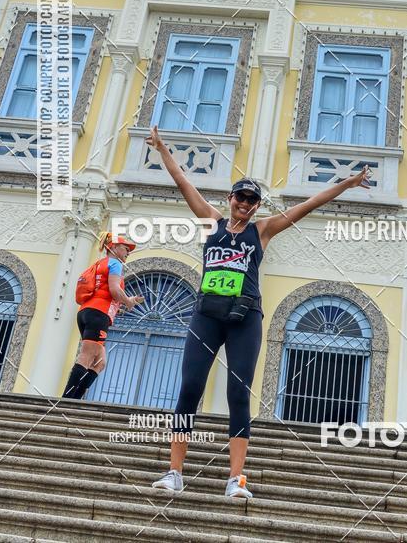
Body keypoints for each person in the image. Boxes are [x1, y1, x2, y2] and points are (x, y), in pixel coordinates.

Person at [148, 124, 371, 499]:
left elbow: (309, 205)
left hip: (245, 318)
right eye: (241, 197)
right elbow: (183, 181)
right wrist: (162, 149)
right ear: (231, 198)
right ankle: (174, 472)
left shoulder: (263, 231)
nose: (246, 204)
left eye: (252, 200)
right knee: (189, 389)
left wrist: (347, 184)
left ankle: (236, 479)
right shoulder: (212, 221)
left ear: (257, 206)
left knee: (238, 393)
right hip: (207, 314)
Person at [62, 231, 144, 400]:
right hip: (98, 314)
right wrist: (128, 301)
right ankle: (67, 400)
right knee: (86, 356)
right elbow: (114, 290)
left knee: (100, 362)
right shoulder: (115, 264)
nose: (128, 252)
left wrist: (123, 304)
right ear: (114, 247)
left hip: (87, 312)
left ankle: (75, 397)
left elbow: (106, 293)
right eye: (126, 248)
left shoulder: (100, 264)